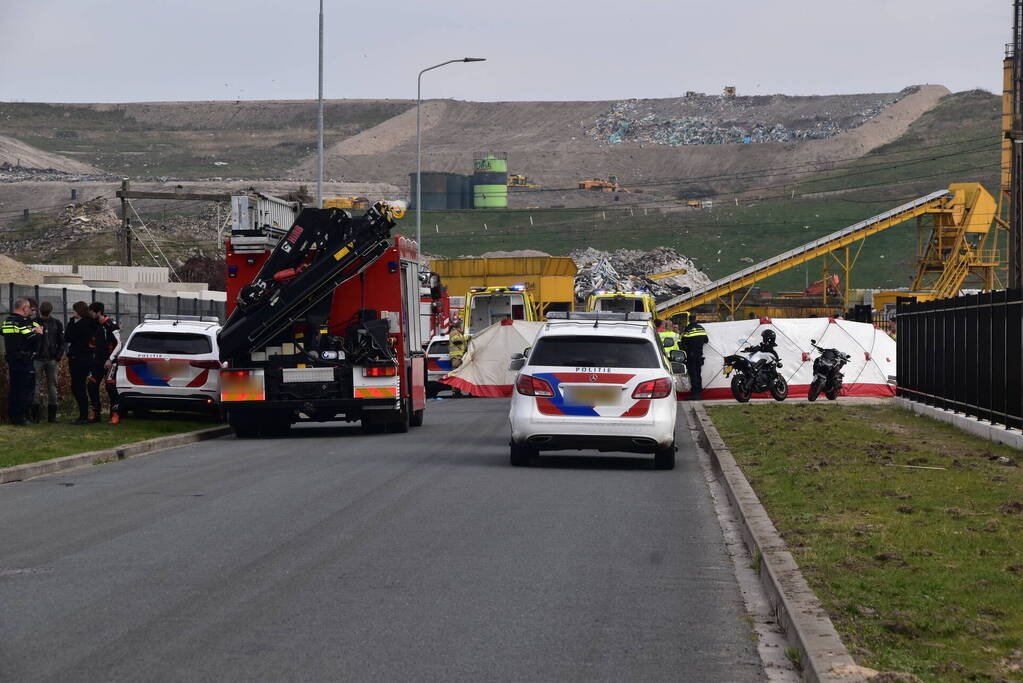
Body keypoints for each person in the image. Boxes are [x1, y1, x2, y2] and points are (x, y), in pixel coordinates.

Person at [2, 298, 43, 425]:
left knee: (15, 389)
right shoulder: (21, 322)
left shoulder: (7, 321)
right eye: (28, 308)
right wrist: (39, 332)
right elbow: (31, 338)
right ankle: (23, 418)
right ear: (24, 308)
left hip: (12, 360)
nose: (29, 311)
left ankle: (13, 416)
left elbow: (5, 334)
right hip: (24, 360)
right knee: (26, 390)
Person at [65, 301, 100, 425]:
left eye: (74, 311)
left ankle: (83, 415)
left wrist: (71, 322)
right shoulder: (92, 323)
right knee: (82, 386)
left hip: (78, 358)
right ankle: (89, 413)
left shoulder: (79, 325)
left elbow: (68, 337)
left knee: (77, 387)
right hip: (88, 358)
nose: (73, 313)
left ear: (78, 312)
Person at [89, 302, 122, 424]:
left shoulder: (111, 325)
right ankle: (96, 413)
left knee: (110, 387)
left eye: (92, 312)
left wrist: (110, 359)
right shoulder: (95, 324)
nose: (90, 314)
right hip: (97, 361)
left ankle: (115, 414)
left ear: (98, 312)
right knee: (91, 385)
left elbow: (119, 344)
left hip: (110, 362)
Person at [32, 301, 64, 423]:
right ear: (51, 311)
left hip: (42, 359)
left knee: (36, 386)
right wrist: (58, 356)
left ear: (40, 310)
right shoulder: (56, 323)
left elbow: (62, 342)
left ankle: (36, 417)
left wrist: (57, 356)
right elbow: (62, 342)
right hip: (49, 359)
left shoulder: (35, 322)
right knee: (52, 387)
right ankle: (51, 417)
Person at [678, 312, 709, 400]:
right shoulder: (701, 328)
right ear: (696, 319)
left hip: (691, 355)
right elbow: (706, 340)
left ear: (689, 320)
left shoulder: (688, 329)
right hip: (699, 354)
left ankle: (695, 394)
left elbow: (683, 342)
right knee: (698, 373)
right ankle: (699, 391)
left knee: (693, 374)